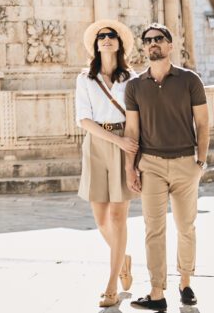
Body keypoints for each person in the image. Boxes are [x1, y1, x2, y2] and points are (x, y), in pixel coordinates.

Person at [125, 23, 210, 311]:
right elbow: (132, 131)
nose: (153, 43)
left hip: (186, 163)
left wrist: (200, 162)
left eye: (159, 39)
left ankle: (185, 283)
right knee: (154, 229)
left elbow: (203, 123)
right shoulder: (135, 86)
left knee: (186, 227)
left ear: (170, 45)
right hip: (151, 165)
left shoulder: (189, 80)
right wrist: (130, 168)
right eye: (148, 40)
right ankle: (156, 292)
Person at [76, 20, 139, 308]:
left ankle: (112, 285)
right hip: (97, 145)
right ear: (96, 44)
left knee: (117, 218)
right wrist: (116, 141)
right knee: (101, 219)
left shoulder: (131, 78)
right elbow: (84, 119)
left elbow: (135, 118)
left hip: (125, 142)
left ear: (119, 43)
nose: (106, 39)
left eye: (112, 36)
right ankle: (122, 257)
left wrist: (130, 158)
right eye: (101, 36)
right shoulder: (85, 79)